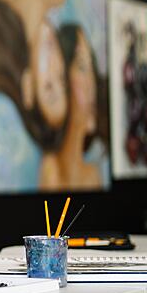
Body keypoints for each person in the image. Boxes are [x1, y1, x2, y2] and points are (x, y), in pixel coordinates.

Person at [40, 23, 109, 190]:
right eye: (81, 67)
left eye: (91, 67)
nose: (91, 84)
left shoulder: (94, 176)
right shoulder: (51, 171)